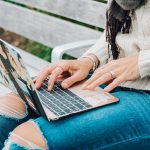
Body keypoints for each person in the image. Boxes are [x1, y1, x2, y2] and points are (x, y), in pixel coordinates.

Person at [1, 0, 150, 149]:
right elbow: (119, 32)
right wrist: (89, 60)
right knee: (4, 114)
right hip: (110, 76)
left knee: (26, 141)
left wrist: (141, 62)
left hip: (145, 91)